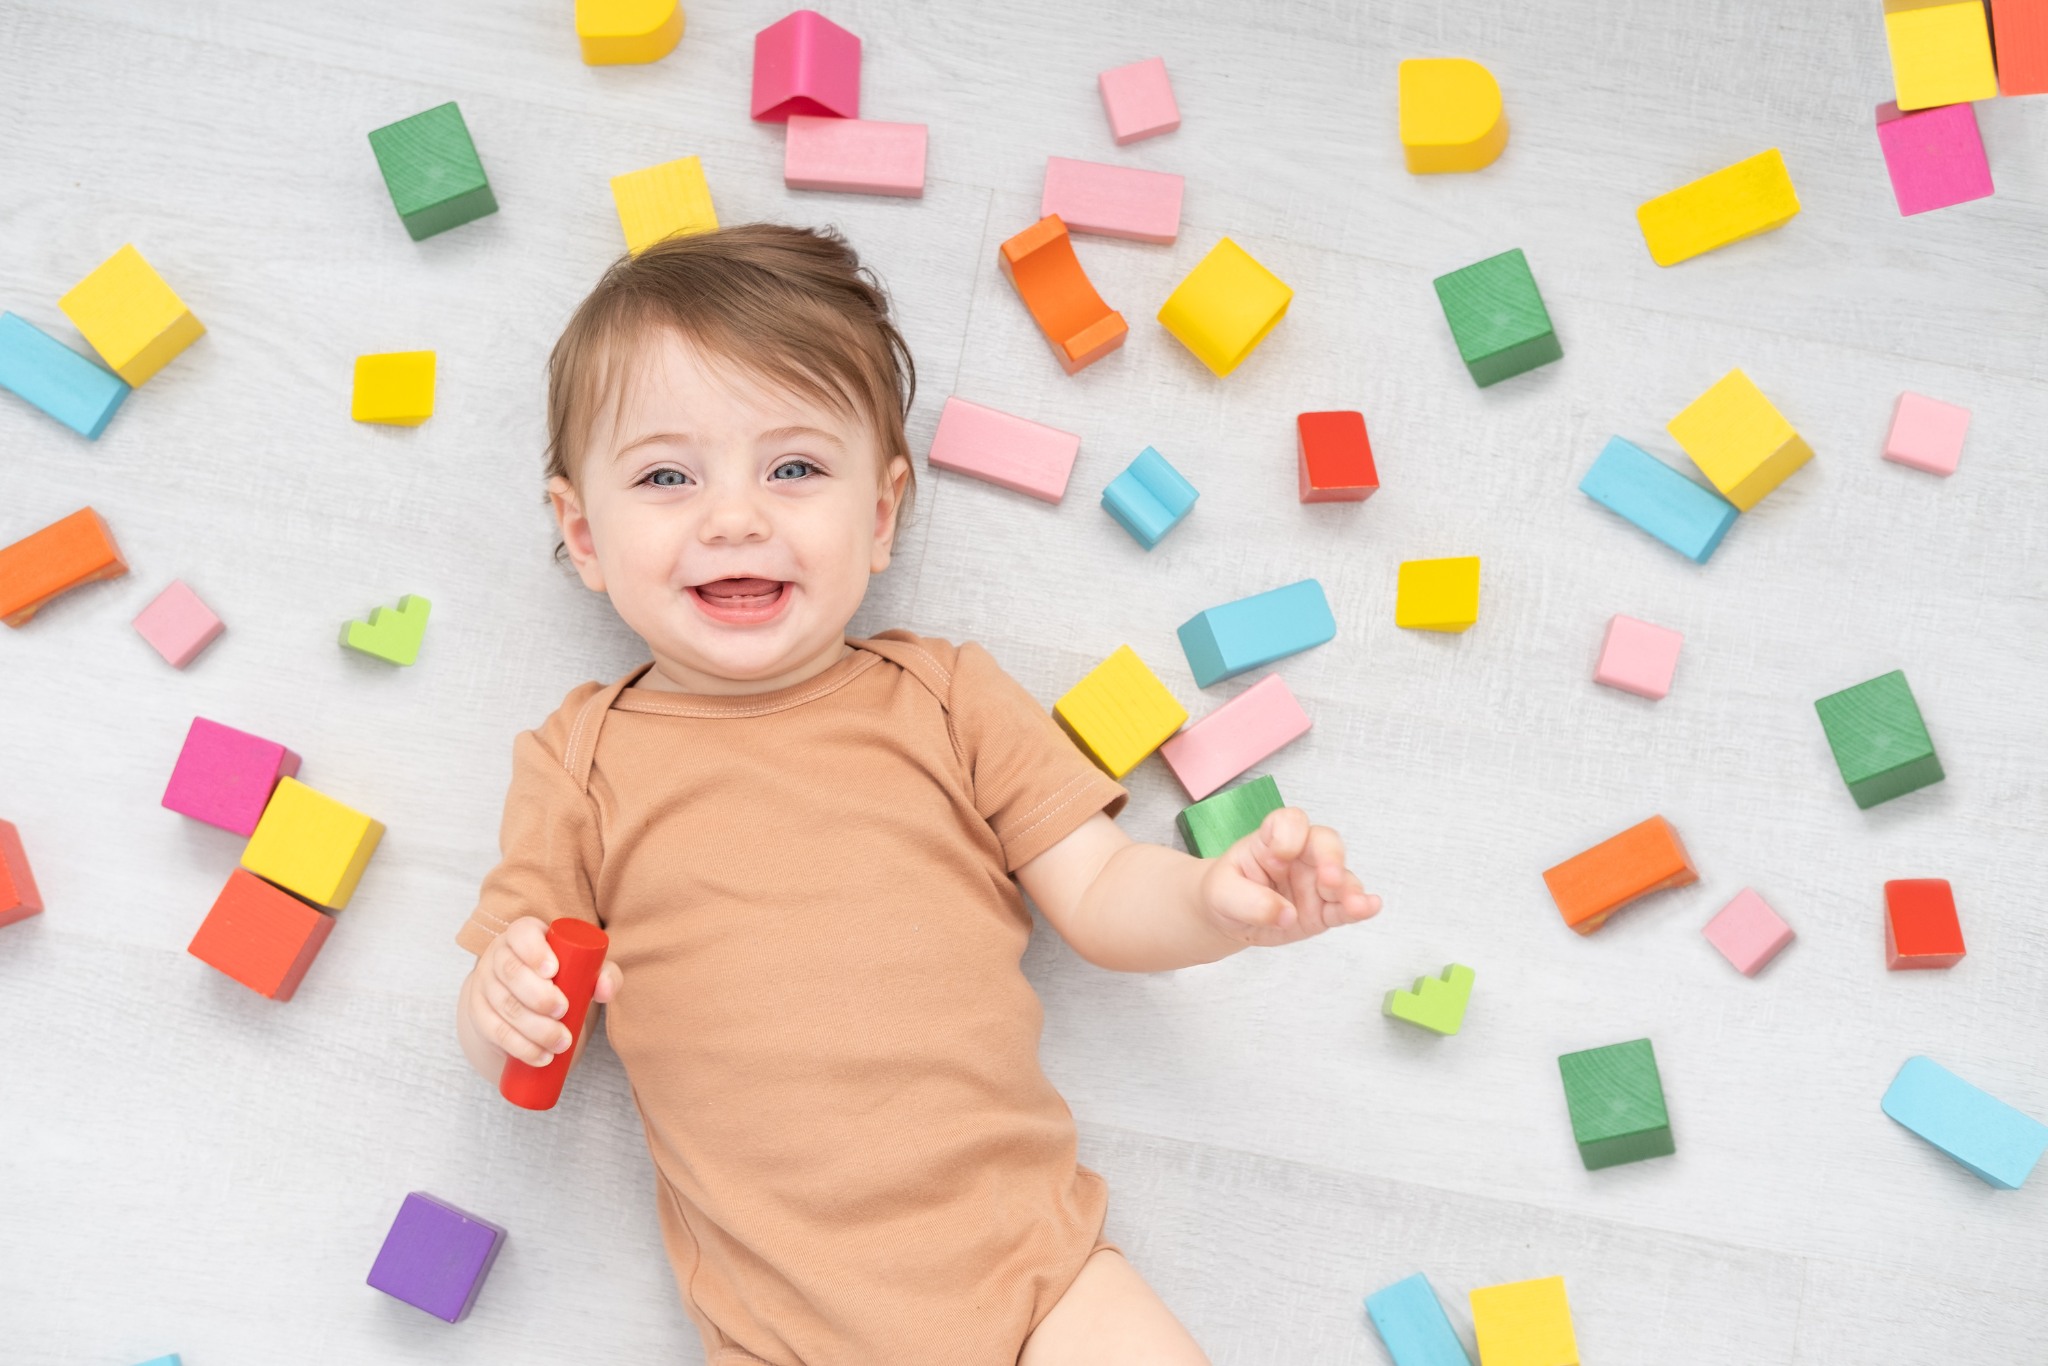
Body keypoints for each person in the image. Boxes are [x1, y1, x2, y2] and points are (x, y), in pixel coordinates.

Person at [453, 223, 1381, 1365]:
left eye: (793, 468)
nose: (735, 516)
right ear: (583, 533)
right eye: (665, 476)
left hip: (1039, 1279)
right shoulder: (578, 760)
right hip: (780, 1330)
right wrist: (503, 999)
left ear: (882, 513)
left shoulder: (947, 699)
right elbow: (507, 1031)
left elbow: (1097, 893)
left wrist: (1211, 904)